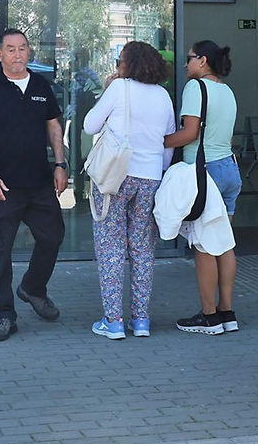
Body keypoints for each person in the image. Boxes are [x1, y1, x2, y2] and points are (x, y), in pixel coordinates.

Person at [0, 28, 67, 341]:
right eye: (10, 49)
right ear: (0, 55)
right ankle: (3, 315)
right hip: (2, 185)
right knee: (0, 250)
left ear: (29, 52)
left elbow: (54, 127)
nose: (17, 54)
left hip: (39, 181)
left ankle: (33, 287)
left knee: (52, 237)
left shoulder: (41, 85)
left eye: (22, 48)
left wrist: (60, 164)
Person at [85, 41, 175, 340]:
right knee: (142, 250)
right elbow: (166, 144)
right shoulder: (163, 95)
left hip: (116, 177)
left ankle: (113, 321)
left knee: (111, 248)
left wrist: (109, 89)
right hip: (150, 178)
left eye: (118, 61)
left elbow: (89, 125)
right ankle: (141, 320)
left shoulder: (119, 88)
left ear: (127, 64)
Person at [164, 39, 241, 336]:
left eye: (190, 58)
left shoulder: (196, 88)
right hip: (229, 169)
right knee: (225, 243)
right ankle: (227, 311)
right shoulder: (227, 91)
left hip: (204, 170)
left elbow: (190, 133)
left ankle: (209, 316)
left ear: (203, 61)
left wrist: (160, 141)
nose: (186, 64)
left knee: (204, 245)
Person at [68, 46, 104, 202]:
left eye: (74, 58)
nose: (71, 62)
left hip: (82, 122)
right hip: (83, 121)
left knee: (81, 157)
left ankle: (81, 192)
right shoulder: (90, 76)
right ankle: (81, 192)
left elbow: (76, 102)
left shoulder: (84, 76)